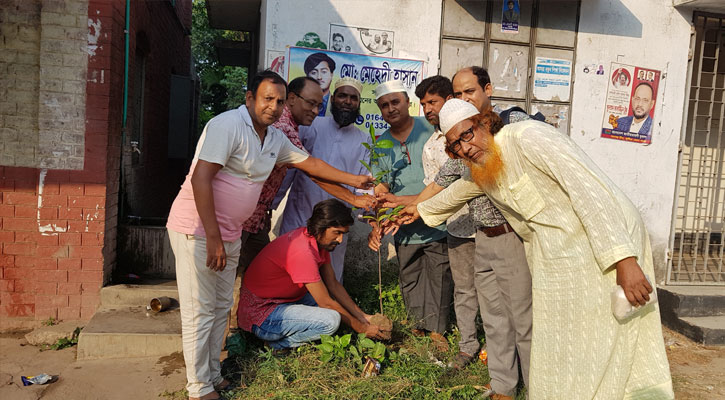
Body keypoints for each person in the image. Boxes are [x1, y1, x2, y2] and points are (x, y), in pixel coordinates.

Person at [402, 99, 674, 399]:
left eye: (467, 134)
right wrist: (414, 210)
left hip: (605, 237)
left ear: (484, 123)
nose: (465, 147)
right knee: (562, 339)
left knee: (609, 330)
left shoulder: (528, 137)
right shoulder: (482, 167)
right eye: (455, 145)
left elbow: (587, 187)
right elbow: (453, 194)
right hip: (558, 253)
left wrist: (624, 259)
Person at [166, 70, 373, 400]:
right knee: (199, 310)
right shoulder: (227, 126)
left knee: (220, 308)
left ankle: (214, 375)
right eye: (267, 99)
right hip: (199, 230)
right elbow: (201, 180)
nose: (274, 107)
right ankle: (198, 387)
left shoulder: (275, 138)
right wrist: (215, 237)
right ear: (250, 98)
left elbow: (313, 165)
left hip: (233, 231)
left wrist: (357, 181)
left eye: (278, 102)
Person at [387, 67, 533, 399]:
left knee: (522, 319)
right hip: (481, 238)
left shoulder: (511, 134)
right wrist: (411, 209)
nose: (464, 99)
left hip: (512, 236)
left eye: (470, 92)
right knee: (494, 318)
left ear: (487, 92)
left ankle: (537, 386)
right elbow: (443, 187)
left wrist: (416, 208)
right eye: (459, 94)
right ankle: (503, 386)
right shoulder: (459, 149)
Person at [237, 199, 387, 350]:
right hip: (261, 314)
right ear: (321, 227)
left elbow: (333, 284)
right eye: (337, 233)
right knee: (331, 320)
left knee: (335, 304)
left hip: (283, 301)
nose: (340, 240)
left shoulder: (316, 242)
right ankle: (277, 345)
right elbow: (326, 303)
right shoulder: (303, 252)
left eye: (343, 234)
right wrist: (362, 329)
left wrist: (363, 317)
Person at [369, 80, 452, 339]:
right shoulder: (381, 144)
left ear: (407, 102)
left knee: (439, 275)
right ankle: (418, 327)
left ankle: (437, 331)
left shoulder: (431, 128)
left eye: (395, 102)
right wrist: (379, 218)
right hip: (403, 224)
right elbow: (381, 185)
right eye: (384, 105)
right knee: (410, 275)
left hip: (437, 217)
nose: (391, 108)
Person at [276, 77, 374, 282]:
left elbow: (364, 183)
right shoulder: (310, 126)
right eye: (342, 96)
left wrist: (368, 213)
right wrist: (273, 202)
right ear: (332, 99)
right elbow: (292, 169)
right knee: (289, 270)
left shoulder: (364, 139)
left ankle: (326, 312)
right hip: (300, 213)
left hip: (336, 220)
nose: (347, 101)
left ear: (359, 103)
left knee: (329, 276)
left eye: (353, 98)